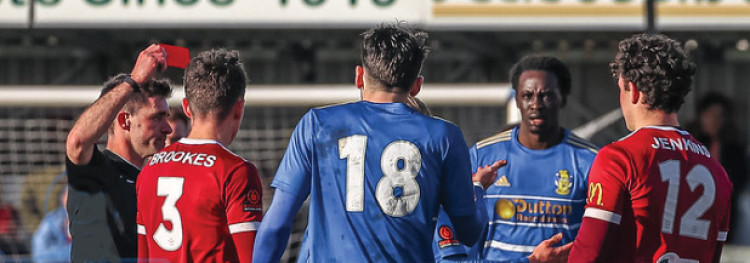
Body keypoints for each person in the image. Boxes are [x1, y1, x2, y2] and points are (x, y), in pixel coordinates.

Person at [254, 22, 500, 263]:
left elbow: (277, 224)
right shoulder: (444, 136)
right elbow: (470, 232)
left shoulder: (317, 124)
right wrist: (476, 187)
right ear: (417, 86)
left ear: (359, 76)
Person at [569, 33, 732, 262]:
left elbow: (587, 256)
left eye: (621, 89)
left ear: (633, 90)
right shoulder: (718, 173)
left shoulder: (619, 158)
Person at [433, 56, 598, 263]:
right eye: (527, 95)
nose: (535, 104)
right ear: (517, 100)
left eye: (546, 95)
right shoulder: (482, 155)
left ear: (563, 98)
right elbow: (452, 223)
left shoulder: (591, 161)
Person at [136, 48, 262, 263]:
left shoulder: (150, 168)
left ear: (186, 107)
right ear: (239, 109)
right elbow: (252, 259)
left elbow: (142, 258)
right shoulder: (236, 172)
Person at [65, 44, 172, 262]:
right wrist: (133, 81)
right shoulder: (95, 172)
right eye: (156, 117)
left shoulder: (153, 180)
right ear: (125, 121)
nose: (168, 128)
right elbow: (77, 141)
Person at [686, 91, 748, 243]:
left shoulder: (734, 149)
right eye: (710, 115)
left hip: (726, 205)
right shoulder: (690, 144)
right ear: (701, 116)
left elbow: (740, 179)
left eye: (720, 116)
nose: (715, 120)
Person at [32, 187, 71, 263]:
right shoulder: (52, 220)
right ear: (63, 198)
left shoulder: (94, 221)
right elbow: (40, 254)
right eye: (69, 196)